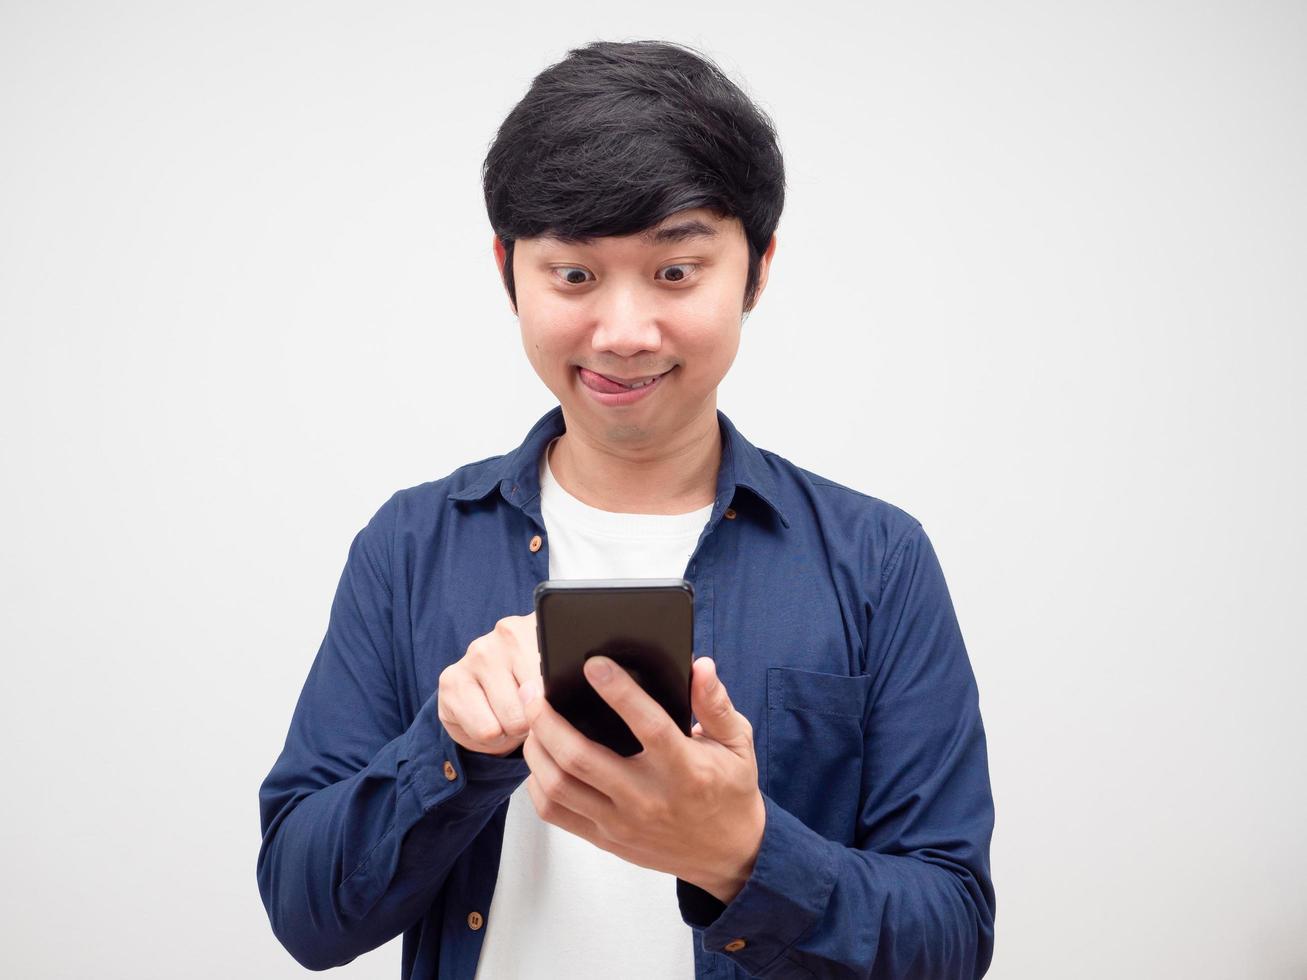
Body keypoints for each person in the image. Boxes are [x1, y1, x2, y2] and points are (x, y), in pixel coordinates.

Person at [256, 38, 996, 980]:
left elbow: (951, 937)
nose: (622, 333)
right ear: (507, 271)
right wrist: (448, 752)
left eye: (676, 272)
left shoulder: (876, 561)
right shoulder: (409, 546)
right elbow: (304, 914)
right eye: (573, 276)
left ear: (757, 270)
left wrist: (739, 853)